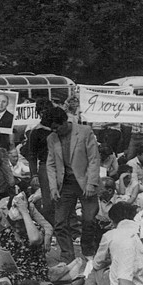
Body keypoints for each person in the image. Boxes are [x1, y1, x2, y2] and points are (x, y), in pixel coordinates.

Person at [46, 107, 100, 263]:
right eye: (52, 129)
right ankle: (67, 255)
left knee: (89, 219)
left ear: (64, 122)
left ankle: (88, 249)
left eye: (57, 127)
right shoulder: (52, 138)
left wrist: (91, 183)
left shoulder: (84, 131)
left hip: (85, 181)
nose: (55, 131)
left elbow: (94, 159)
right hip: (65, 184)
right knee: (60, 222)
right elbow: (51, 164)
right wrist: (53, 187)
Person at [0, 192, 52, 285]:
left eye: (20, 225)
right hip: (13, 271)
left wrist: (24, 212)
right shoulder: (6, 233)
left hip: (32, 273)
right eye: (14, 225)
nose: (17, 228)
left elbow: (37, 235)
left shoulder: (37, 229)